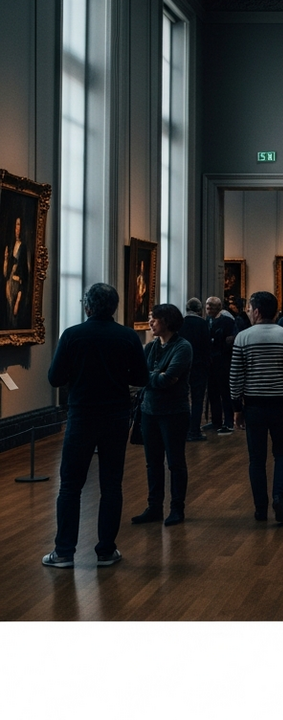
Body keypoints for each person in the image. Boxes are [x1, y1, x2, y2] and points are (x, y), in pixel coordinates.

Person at [42, 282, 148, 568]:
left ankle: (64, 551)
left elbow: (55, 378)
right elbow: (141, 378)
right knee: (111, 484)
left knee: (71, 486)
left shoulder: (73, 335)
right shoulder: (127, 337)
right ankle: (105, 550)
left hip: (82, 414)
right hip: (115, 416)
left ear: (87, 306)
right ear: (114, 307)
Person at [230, 291, 283, 524]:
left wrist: (237, 407)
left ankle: (260, 508)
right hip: (282, 404)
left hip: (254, 405)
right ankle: (278, 497)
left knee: (257, 459)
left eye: (250, 308)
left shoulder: (243, 337)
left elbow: (236, 377)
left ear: (257, 311)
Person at [131, 303, 194, 527]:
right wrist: (158, 375)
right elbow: (139, 376)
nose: (151, 323)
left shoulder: (182, 347)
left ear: (166, 321)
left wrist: (155, 376)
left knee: (175, 463)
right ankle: (154, 507)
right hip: (149, 411)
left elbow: (168, 380)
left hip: (174, 412)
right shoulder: (150, 347)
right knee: (153, 462)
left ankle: (177, 508)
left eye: (154, 319)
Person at [179, 297, 211, 441]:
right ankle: (194, 430)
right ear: (199, 310)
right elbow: (206, 346)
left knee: (183, 398)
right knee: (198, 400)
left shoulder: (181, 323)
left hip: (183, 366)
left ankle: (183, 429)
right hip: (199, 366)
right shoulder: (203, 324)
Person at [205, 296, 236, 434]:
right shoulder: (207, 320)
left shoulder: (227, 321)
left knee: (225, 393)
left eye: (211, 306)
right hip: (211, 363)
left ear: (218, 307)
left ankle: (228, 421)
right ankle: (216, 420)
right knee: (212, 392)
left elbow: (232, 339)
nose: (208, 309)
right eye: (207, 306)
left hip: (223, 362)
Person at [3, 214, 29, 329]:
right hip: (9, 286)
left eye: (19, 225)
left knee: (15, 316)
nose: (18, 228)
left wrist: (18, 299)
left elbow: (25, 277)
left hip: (17, 287)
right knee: (8, 316)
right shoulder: (11, 245)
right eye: (16, 225)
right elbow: (5, 274)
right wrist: (5, 259)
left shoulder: (23, 248)